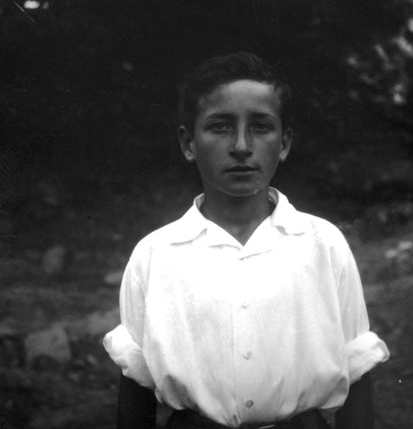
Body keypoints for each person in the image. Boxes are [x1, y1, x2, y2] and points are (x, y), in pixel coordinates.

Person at [103, 52, 390, 429]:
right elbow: (136, 391)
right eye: (220, 127)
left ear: (284, 143)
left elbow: (356, 371)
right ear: (188, 143)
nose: (241, 145)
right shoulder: (155, 255)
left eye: (261, 126)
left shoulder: (323, 244)